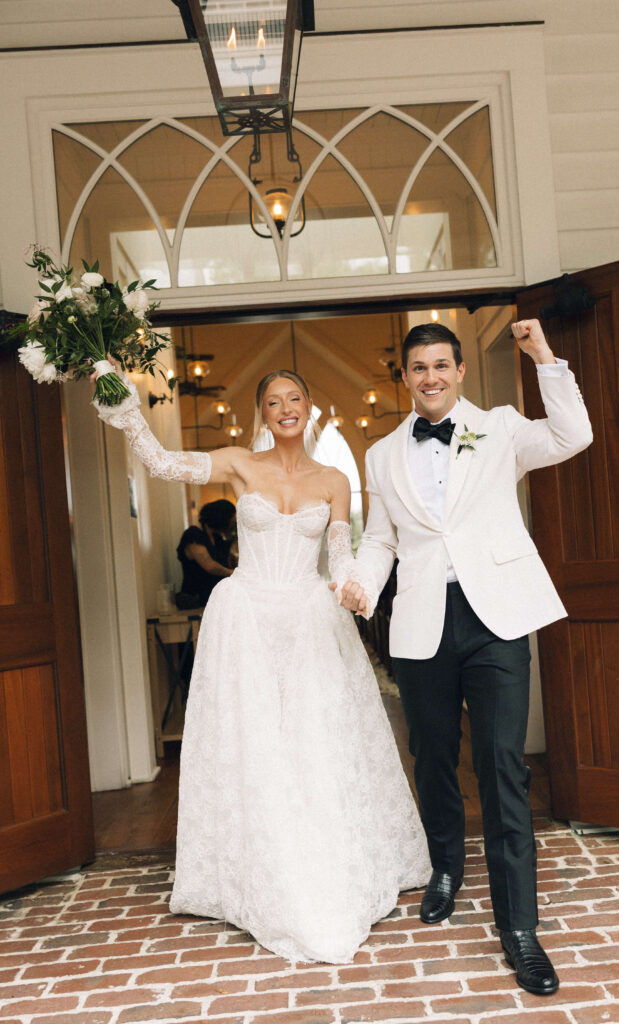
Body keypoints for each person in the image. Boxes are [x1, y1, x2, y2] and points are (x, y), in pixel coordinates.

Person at [91, 364, 430, 964]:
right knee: (252, 742)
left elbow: (341, 556)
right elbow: (165, 464)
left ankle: (320, 856)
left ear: (308, 406)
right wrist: (124, 409)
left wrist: (354, 588)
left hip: (306, 616)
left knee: (313, 739)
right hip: (244, 616)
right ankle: (255, 865)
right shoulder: (237, 463)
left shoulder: (333, 481)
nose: (285, 408)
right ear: (263, 413)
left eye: (294, 397)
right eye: (273, 401)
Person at [336, 319, 593, 995]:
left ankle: (519, 929)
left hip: (496, 616)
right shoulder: (382, 453)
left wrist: (543, 357)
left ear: (459, 371)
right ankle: (445, 866)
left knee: (504, 766)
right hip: (422, 618)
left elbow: (574, 435)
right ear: (404, 376)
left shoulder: (501, 427)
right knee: (432, 754)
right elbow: (382, 539)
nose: (430, 377)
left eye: (440, 365)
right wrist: (362, 581)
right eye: (417, 368)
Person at [175, 499, 236, 609]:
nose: (231, 525)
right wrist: (231, 573)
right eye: (231, 522)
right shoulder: (193, 534)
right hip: (195, 600)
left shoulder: (218, 539)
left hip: (215, 599)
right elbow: (210, 566)